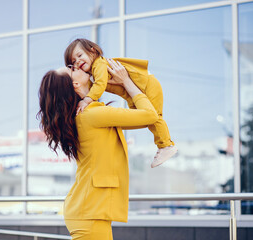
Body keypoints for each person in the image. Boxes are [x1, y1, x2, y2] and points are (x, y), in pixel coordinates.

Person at [38, 60, 158, 239]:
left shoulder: (89, 114)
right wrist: (126, 81)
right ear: (75, 84)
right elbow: (150, 116)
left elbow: (143, 116)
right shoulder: (92, 115)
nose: (77, 66)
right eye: (71, 69)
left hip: (88, 209)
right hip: (89, 212)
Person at [64, 38, 177, 168]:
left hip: (147, 85)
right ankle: (164, 145)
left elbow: (99, 85)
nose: (78, 61)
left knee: (155, 117)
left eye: (79, 55)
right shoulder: (91, 75)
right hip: (135, 95)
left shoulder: (99, 65)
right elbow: (90, 89)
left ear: (92, 51)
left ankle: (166, 146)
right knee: (145, 119)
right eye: (73, 62)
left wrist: (86, 100)